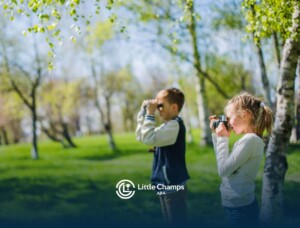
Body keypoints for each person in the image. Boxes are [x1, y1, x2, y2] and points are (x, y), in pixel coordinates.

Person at [209, 92, 273, 226]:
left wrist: (222, 138)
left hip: (240, 209)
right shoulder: (250, 140)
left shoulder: (251, 140)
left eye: (229, 117)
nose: (227, 122)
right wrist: (217, 136)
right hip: (236, 206)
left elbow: (223, 170)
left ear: (244, 114)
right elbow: (224, 163)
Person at [136, 87, 190, 226]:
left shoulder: (175, 125)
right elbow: (141, 136)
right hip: (166, 185)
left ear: (173, 107)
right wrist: (143, 112)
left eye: (160, 106)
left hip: (173, 186)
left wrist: (149, 114)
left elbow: (149, 137)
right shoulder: (167, 126)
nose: (157, 109)